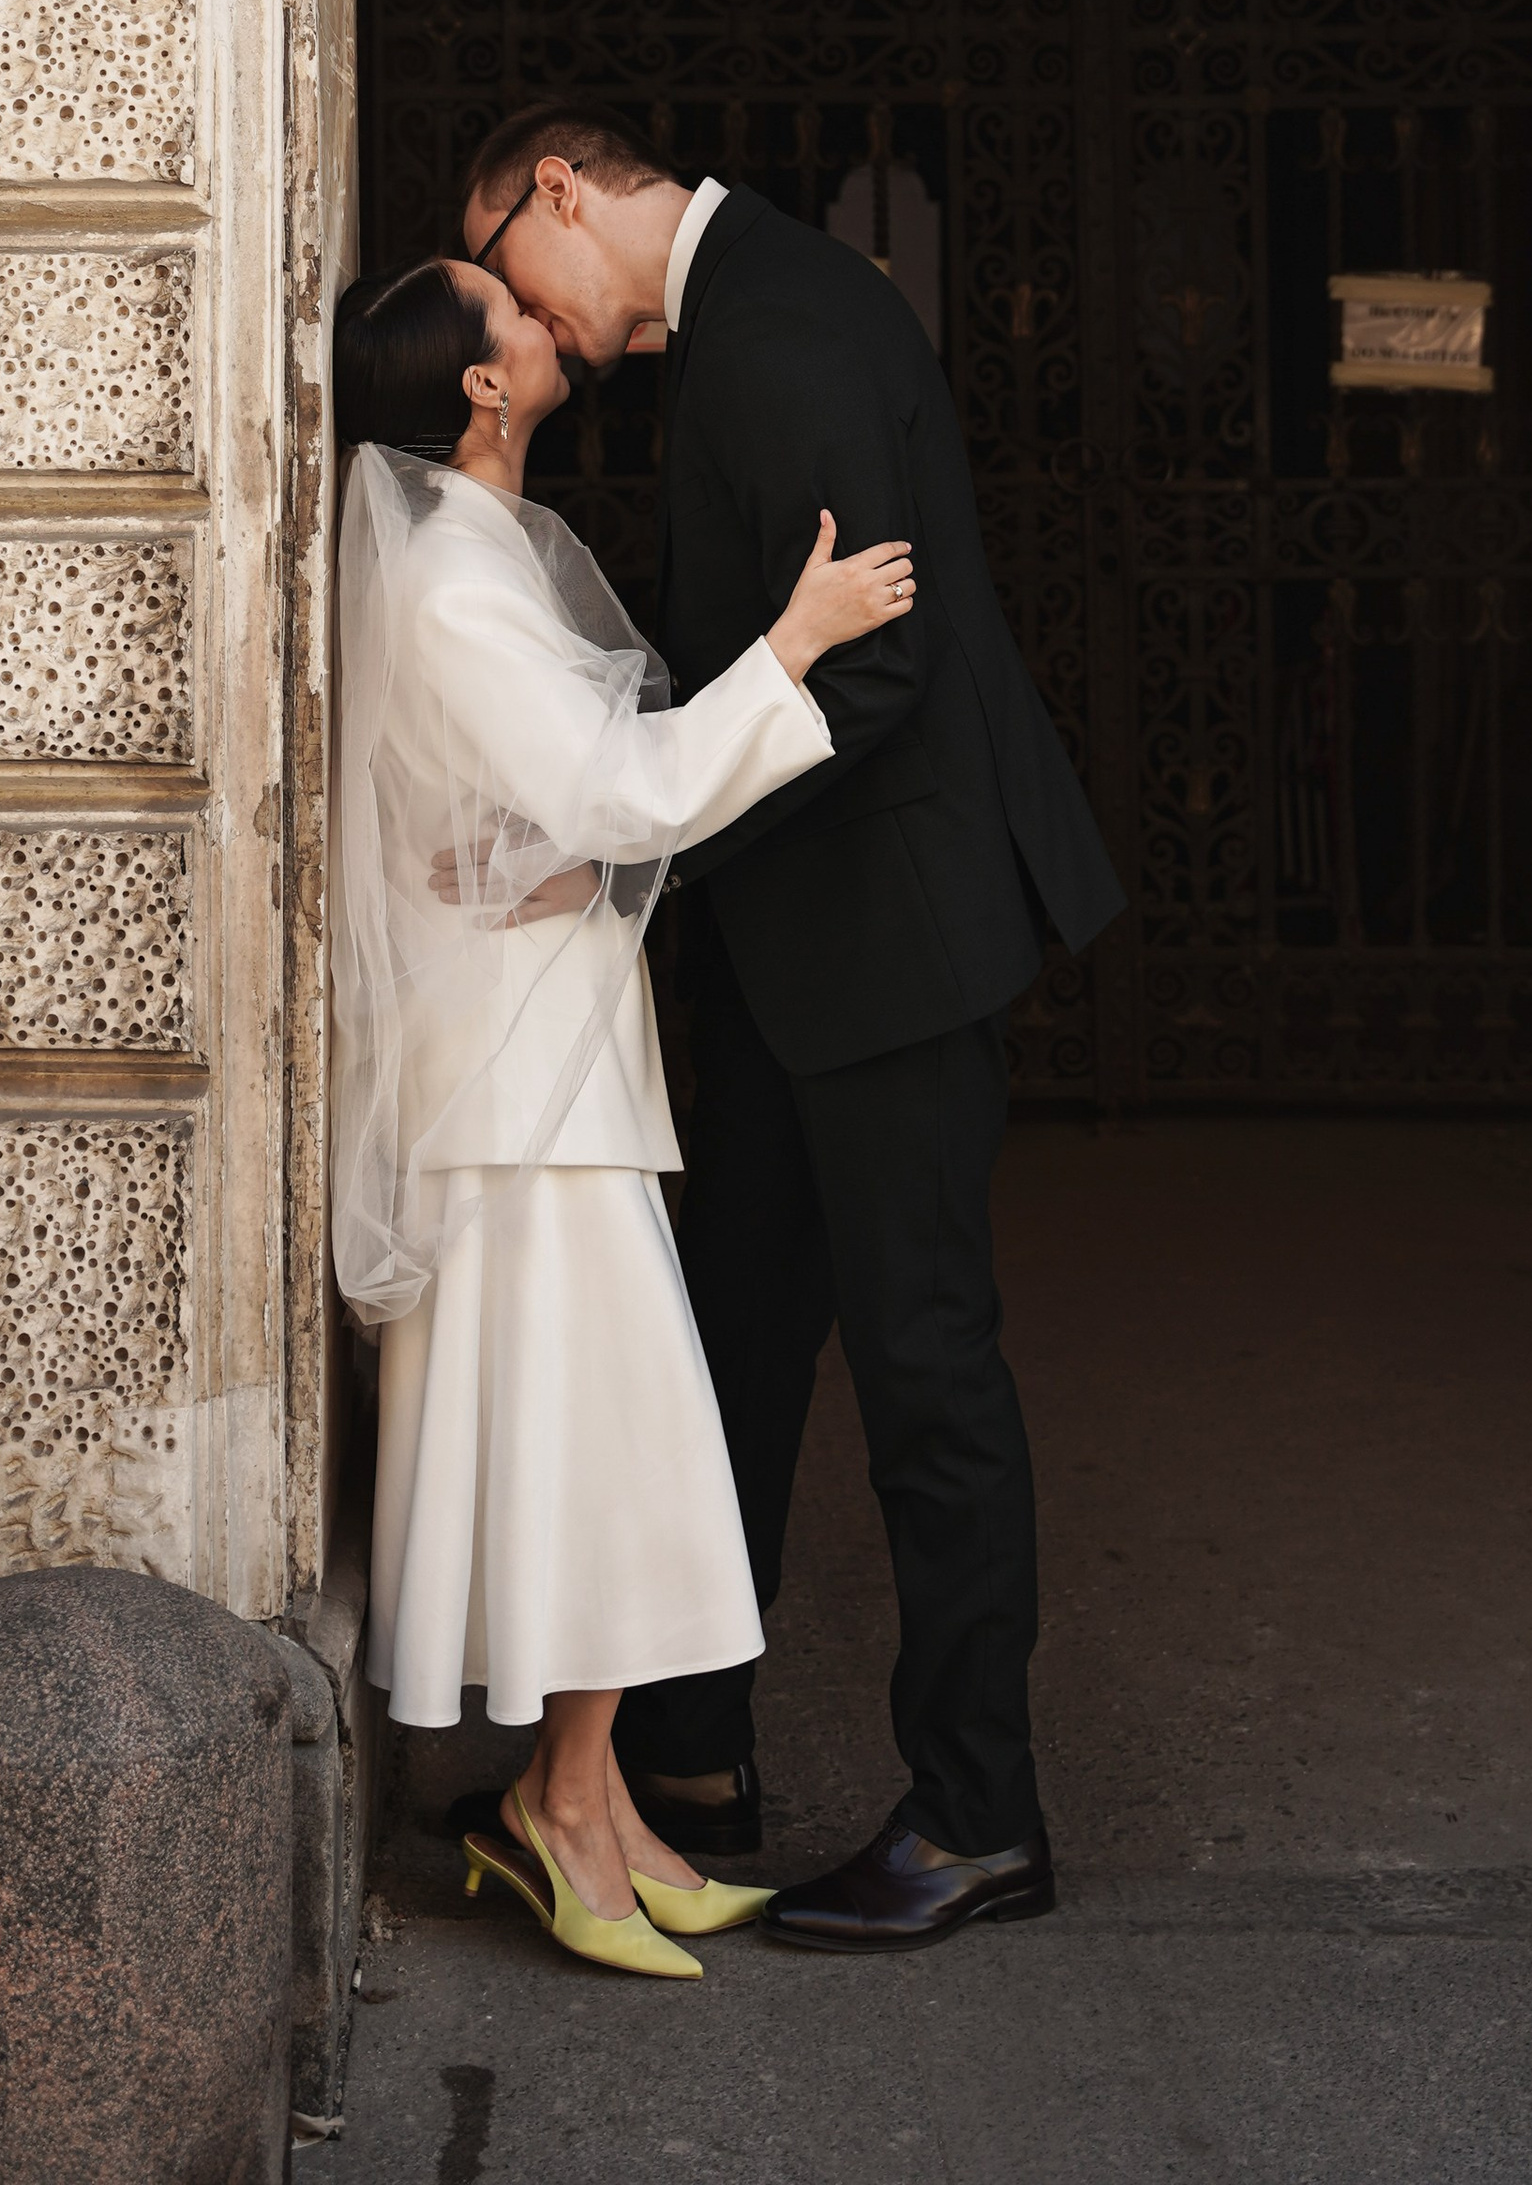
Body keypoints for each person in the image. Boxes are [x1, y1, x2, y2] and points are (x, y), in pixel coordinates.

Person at [457, 106, 1126, 1953]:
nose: (539, 337)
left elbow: (881, 670)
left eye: (515, 278)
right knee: (728, 1347)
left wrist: (637, 838)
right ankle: (676, 1754)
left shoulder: (789, 330)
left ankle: (982, 1815)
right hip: (792, 956)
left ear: (563, 196)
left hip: (889, 954)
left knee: (928, 1382)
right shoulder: (750, 315)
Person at [332, 249, 917, 1981]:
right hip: (519, 1096)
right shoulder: (449, 574)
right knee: (611, 1444)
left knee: (610, 1448)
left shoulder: (486, 551)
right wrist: (795, 648)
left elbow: (544, 808)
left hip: (556, 1068)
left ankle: (584, 1806)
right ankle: (563, 1813)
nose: (538, 312)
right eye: (503, 313)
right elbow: (615, 784)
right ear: (480, 388)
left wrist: (560, 849)